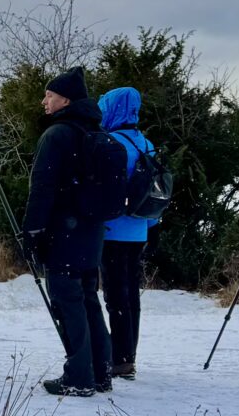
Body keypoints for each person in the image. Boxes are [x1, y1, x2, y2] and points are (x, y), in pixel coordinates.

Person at [21, 67, 112, 397]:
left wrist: (31, 231)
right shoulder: (97, 134)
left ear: (66, 99)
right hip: (91, 232)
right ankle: (101, 371)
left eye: (49, 95)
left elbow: (41, 188)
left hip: (63, 234)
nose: (43, 100)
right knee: (88, 300)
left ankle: (78, 376)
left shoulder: (57, 135)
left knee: (68, 303)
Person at [97, 86, 153, 381]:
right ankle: (129, 354)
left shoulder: (111, 143)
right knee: (131, 294)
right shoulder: (146, 143)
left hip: (113, 229)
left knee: (115, 296)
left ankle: (120, 359)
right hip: (140, 228)